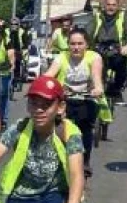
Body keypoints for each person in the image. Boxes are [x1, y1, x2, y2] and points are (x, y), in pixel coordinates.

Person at [44, 28, 104, 177]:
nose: (76, 47)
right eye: (72, 44)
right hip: (66, 99)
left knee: (85, 128)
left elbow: (96, 76)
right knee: (57, 126)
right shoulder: (61, 57)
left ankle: (85, 161)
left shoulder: (94, 57)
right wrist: (42, 84)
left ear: (86, 45)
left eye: (79, 43)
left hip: (86, 98)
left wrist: (97, 88)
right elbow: (49, 74)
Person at [92, 0, 127, 105]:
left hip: (116, 49)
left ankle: (116, 91)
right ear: (104, 6)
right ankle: (96, 90)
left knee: (122, 65)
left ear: (117, 6)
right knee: (95, 68)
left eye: (114, 5)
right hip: (99, 48)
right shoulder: (97, 16)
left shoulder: (122, 17)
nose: (111, 7)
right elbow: (88, 31)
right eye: (108, 5)